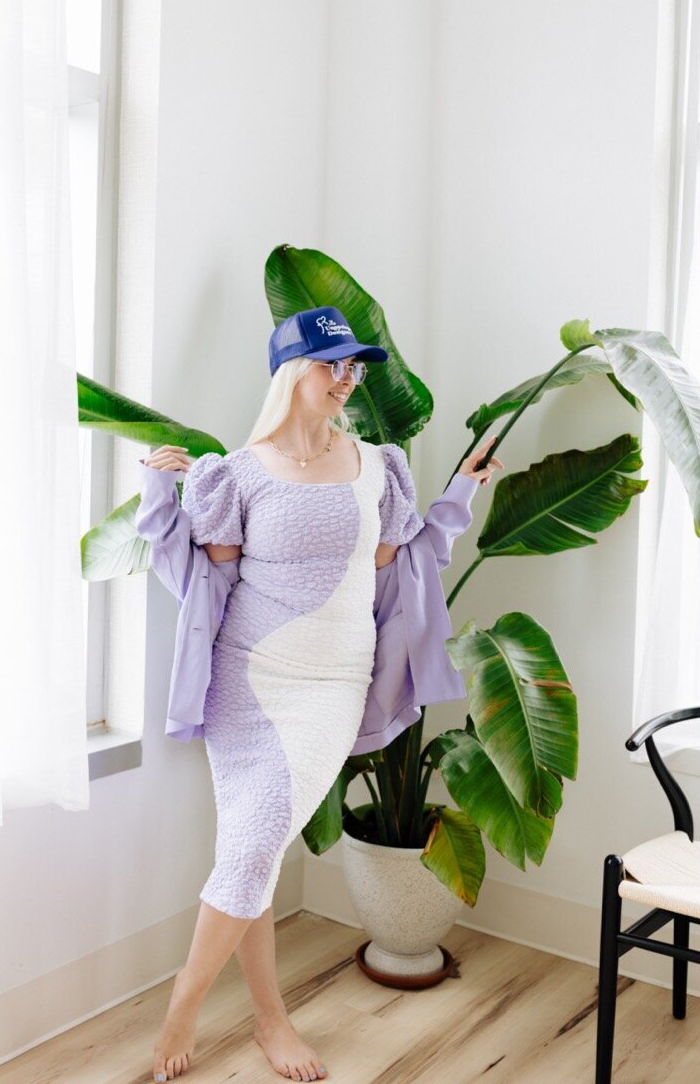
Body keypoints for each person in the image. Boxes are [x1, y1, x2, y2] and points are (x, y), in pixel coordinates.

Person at [140, 306, 504, 1083]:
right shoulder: (235, 475)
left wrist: (459, 496)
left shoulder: (378, 465)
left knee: (253, 844)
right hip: (246, 681)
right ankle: (264, 1018)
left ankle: (186, 1002)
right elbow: (208, 583)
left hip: (333, 684)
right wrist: (154, 498)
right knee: (254, 851)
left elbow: (398, 567)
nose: (347, 379)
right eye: (331, 364)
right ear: (290, 372)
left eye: (354, 367)